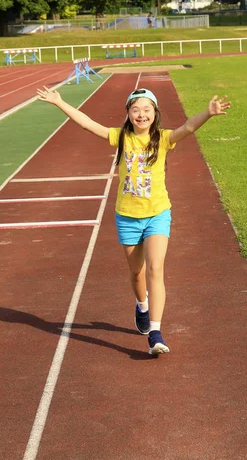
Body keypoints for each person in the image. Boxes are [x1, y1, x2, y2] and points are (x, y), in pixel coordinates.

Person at [35, 85, 231, 356]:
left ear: (155, 113)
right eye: (136, 110)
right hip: (127, 216)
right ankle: (142, 305)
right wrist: (60, 102)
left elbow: (186, 128)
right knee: (137, 272)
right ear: (128, 113)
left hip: (157, 214)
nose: (141, 114)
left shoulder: (163, 138)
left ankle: (155, 331)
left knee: (155, 269)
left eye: (147, 110)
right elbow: (88, 124)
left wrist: (207, 114)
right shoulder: (121, 137)